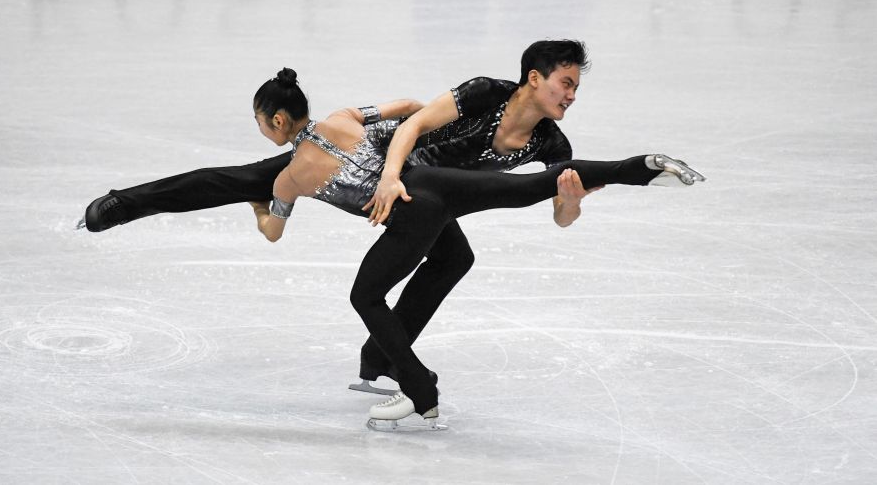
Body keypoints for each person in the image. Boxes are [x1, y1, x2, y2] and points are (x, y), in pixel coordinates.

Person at [78, 40, 704, 398]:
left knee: (457, 251)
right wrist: (387, 168)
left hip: (433, 194)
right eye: (565, 84)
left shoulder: (553, 147)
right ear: (534, 79)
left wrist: (568, 196)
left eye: (575, 88)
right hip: (407, 178)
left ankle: (380, 358)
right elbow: (410, 118)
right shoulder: (486, 91)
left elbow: (560, 213)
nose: (572, 96)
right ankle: (116, 206)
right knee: (230, 180)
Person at [248, 67, 698, 430]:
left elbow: (272, 231)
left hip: (413, 211)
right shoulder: (344, 117)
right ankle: (641, 168)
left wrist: (256, 202)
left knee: (364, 296)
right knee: (527, 189)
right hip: (437, 183)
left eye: (259, 122)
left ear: (278, 121)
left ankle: (420, 390)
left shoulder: (288, 179)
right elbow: (407, 109)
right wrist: (400, 150)